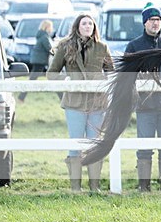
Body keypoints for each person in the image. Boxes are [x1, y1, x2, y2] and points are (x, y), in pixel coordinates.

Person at [47, 14, 113, 192]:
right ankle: (75, 188)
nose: (88, 26)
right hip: (74, 102)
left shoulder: (102, 47)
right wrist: (66, 79)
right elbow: (51, 73)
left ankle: (94, 187)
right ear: (77, 26)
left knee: (94, 145)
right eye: (84, 23)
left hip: (97, 102)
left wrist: (103, 83)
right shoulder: (65, 46)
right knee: (75, 145)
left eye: (90, 23)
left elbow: (111, 73)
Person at [125, 3, 161, 192]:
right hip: (145, 106)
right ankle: (144, 187)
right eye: (151, 20)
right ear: (144, 23)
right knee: (144, 148)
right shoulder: (134, 46)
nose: (155, 23)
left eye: (158, 20)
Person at [18, 19, 53, 102]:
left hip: (37, 60)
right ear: (47, 27)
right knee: (33, 79)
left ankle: (21, 97)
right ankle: (21, 97)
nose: (51, 29)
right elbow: (49, 48)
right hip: (40, 61)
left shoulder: (41, 35)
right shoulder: (44, 37)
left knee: (32, 79)